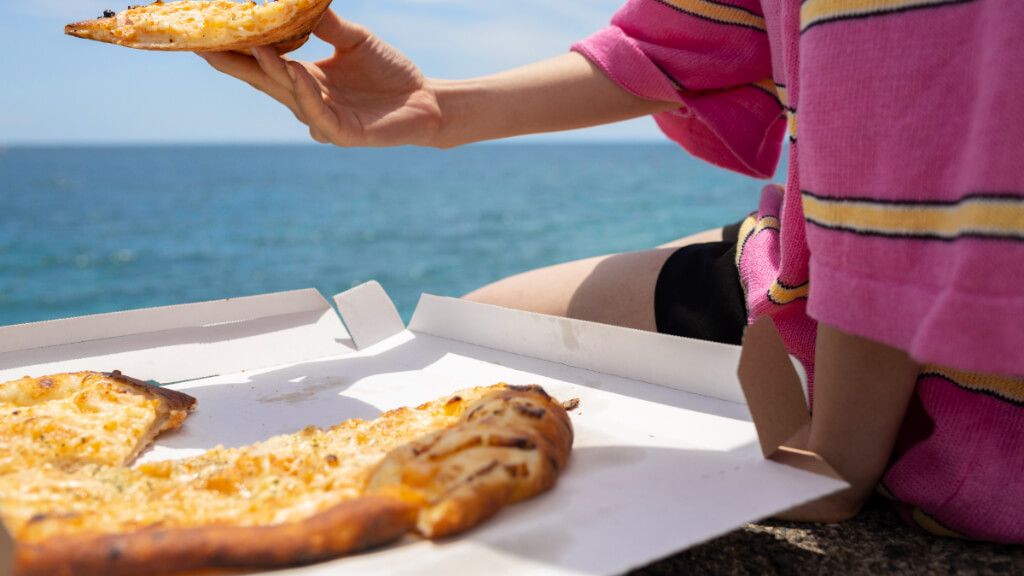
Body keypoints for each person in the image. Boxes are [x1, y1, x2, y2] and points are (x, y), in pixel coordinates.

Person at [200, 0, 1024, 541]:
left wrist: (835, 452)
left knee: (477, 355)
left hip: (959, 346)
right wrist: (439, 107)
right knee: (479, 323)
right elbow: (704, 28)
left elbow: (896, 165)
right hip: (862, 241)